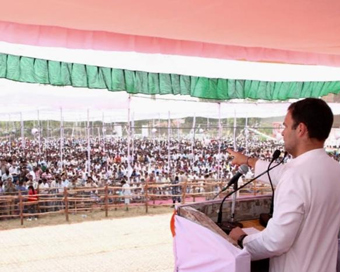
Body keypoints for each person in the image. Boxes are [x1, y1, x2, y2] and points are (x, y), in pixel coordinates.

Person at [228, 98, 340, 272]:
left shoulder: (296, 175)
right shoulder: (334, 169)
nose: (282, 133)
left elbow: (275, 242)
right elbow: (283, 175)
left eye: (286, 126)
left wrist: (242, 239)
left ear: (301, 129)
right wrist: (249, 161)